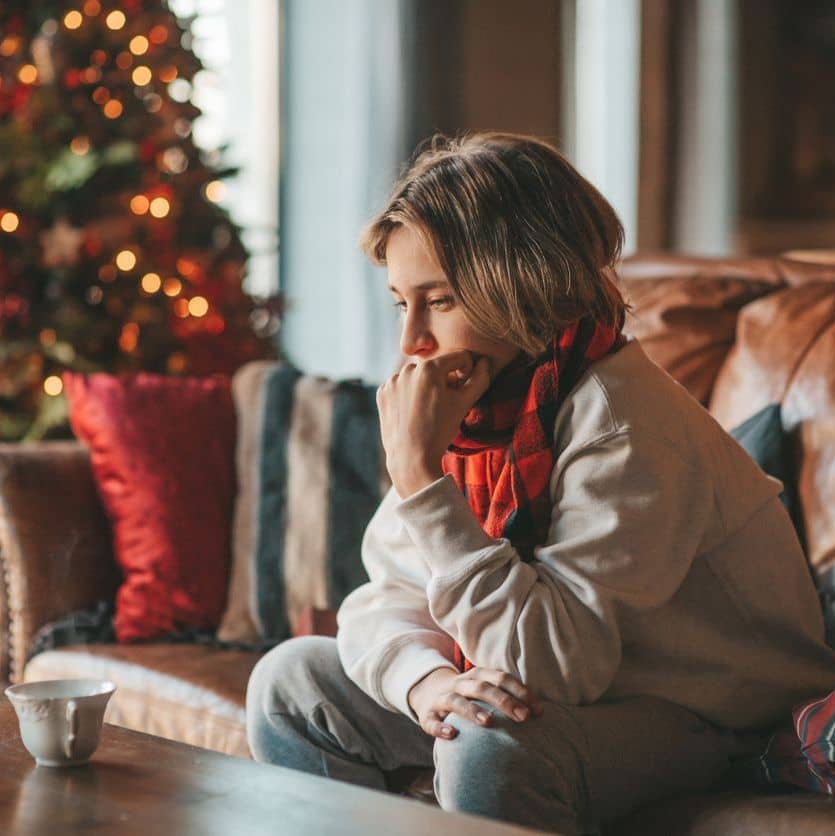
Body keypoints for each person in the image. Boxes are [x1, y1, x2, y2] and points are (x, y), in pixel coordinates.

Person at [246, 132, 835, 834]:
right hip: (568, 692)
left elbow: (554, 666)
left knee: (489, 748)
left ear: (518, 285)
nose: (410, 343)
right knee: (289, 683)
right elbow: (386, 595)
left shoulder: (623, 425)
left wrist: (418, 478)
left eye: (436, 300)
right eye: (401, 301)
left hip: (706, 716)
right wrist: (428, 683)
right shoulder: (479, 411)